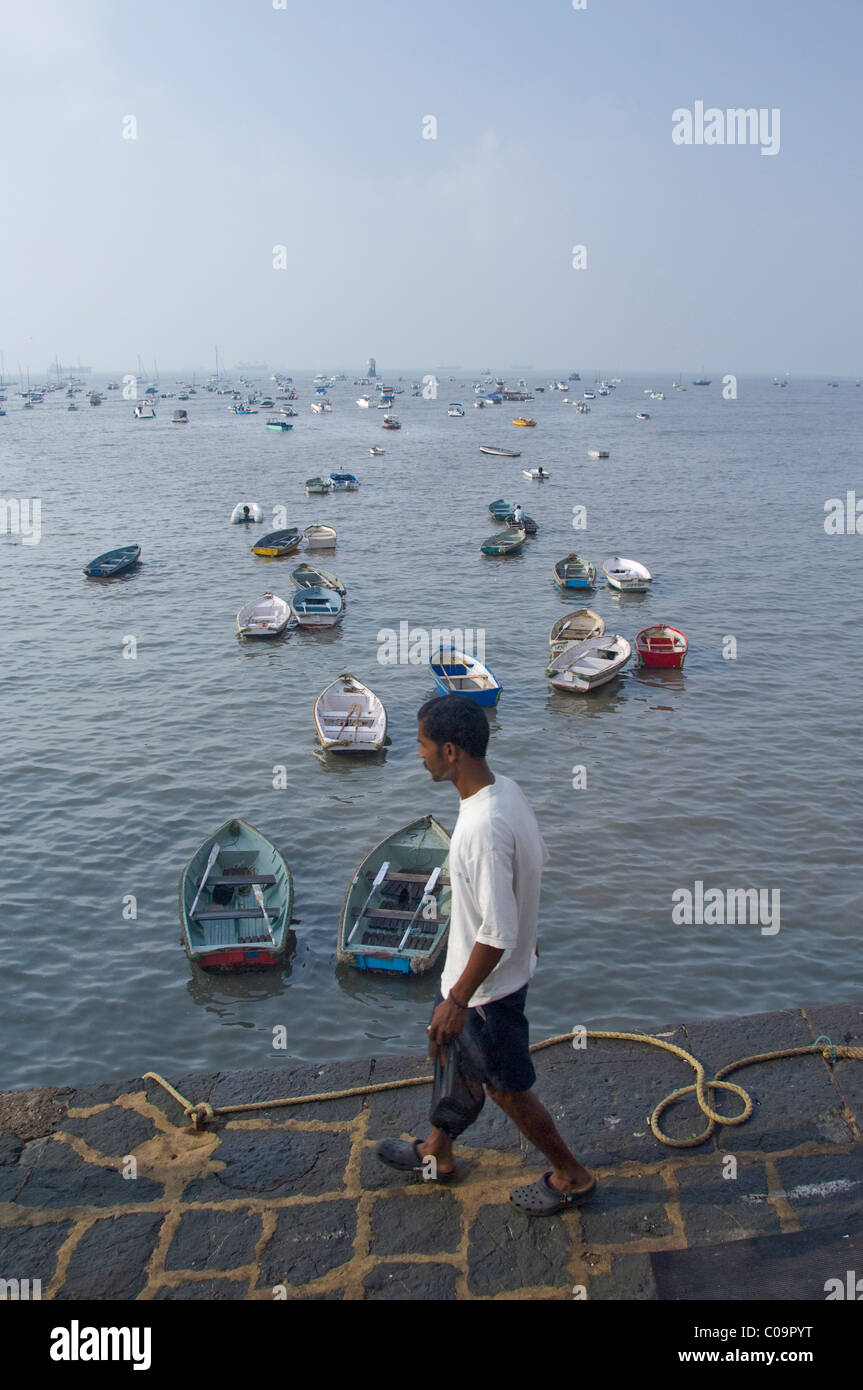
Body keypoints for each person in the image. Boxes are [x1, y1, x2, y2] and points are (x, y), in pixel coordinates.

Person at [375, 693, 596, 1215]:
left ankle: (572, 1174)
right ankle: (438, 1151)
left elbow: (496, 932)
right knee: (455, 1061)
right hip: (478, 975)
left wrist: (457, 1000)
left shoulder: (480, 829)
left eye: (423, 746)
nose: (420, 755)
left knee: (507, 1088)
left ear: (450, 750)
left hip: (489, 992)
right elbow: (535, 868)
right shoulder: (507, 793)